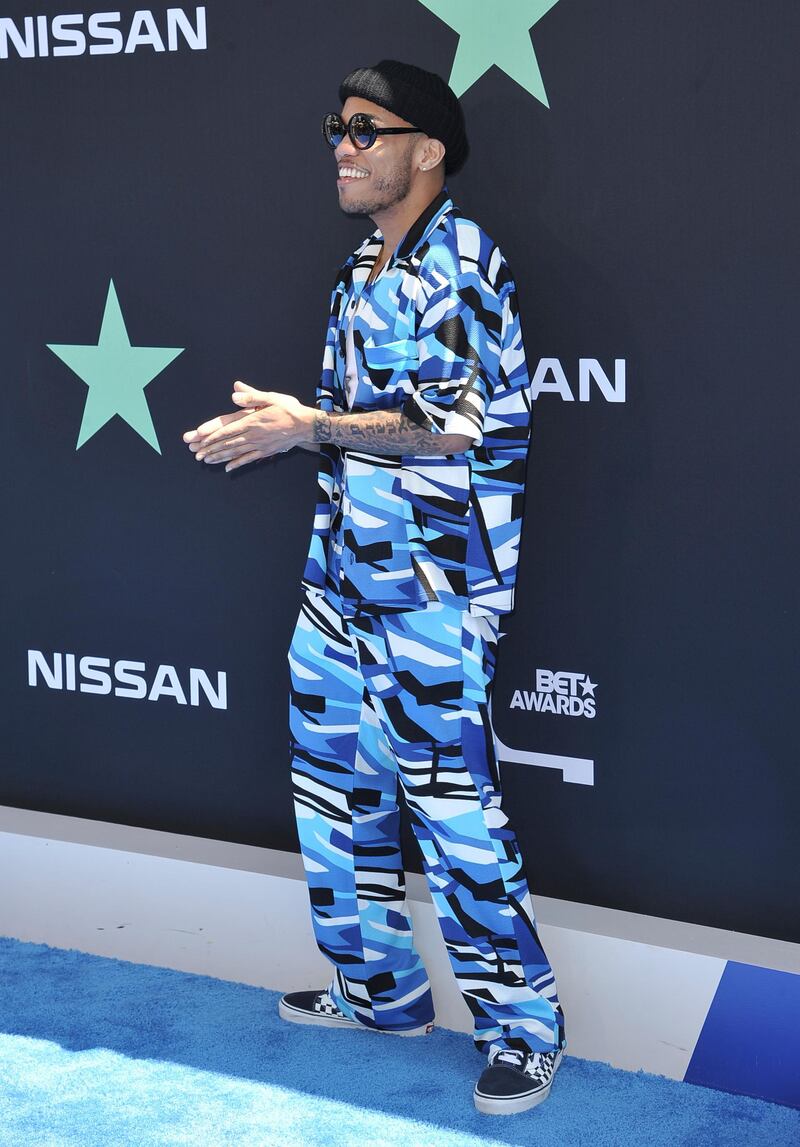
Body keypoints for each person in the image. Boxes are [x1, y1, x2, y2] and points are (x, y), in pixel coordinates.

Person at [182, 59, 566, 1116]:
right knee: (334, 798)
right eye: (335, 130)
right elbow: (372, 423)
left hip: (434, 594)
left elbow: (444, 423)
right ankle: (378, 993)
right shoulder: (364, 262)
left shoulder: (463, 257)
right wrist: (302, 420)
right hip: (341, 582)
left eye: (364, 129)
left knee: (453, 816)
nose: (341, 148)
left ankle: (523, 1026)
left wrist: (303, 424)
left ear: (425, 149)